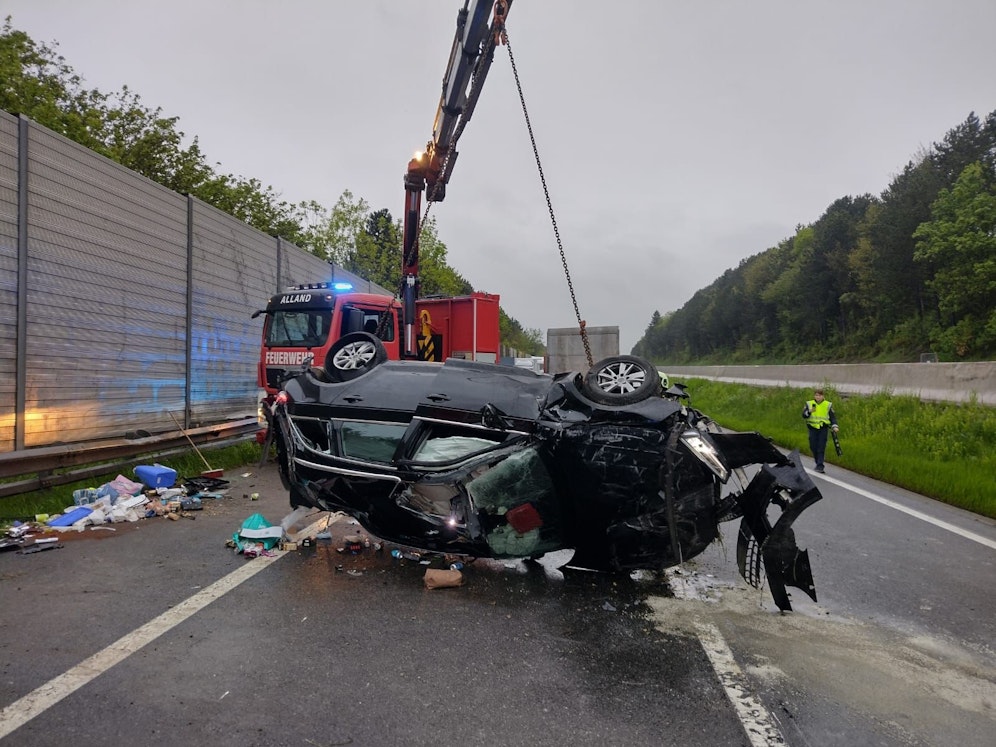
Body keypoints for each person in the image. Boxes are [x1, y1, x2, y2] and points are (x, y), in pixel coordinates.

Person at [802, 387, 838, 473]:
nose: (817, 397)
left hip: (823, 428)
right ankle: (818, 461)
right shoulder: (809, 404)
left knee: (821, 447)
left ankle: (820, 465)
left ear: (823, 396)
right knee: (813, 446)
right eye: (816, 395)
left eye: (819, 395)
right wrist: (809, 411)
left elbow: (832, 417)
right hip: (812, 428)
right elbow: (804, 415)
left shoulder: (827, 405)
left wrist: (834, 426)